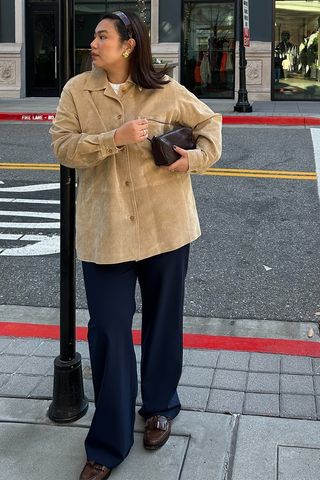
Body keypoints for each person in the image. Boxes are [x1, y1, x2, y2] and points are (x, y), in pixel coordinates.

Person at [50, 11, 222, 480]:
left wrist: (193, 160)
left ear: (128, 46)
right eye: (94, 36)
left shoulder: (165, 89)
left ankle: (161, 406)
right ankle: (108, 441)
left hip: (166, 227)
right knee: (107, 329)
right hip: (107, 232)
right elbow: (63, 146)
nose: (93, 42)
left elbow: (210, 124)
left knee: (164, 320)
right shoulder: (77, 91)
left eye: (102, 36)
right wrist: (113, 138)